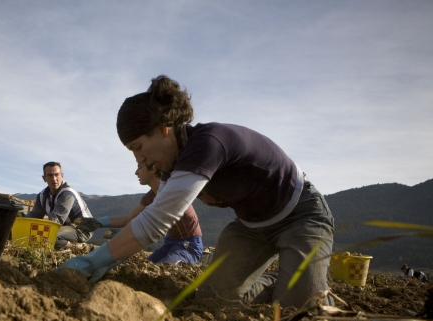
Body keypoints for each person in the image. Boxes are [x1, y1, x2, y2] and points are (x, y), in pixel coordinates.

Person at [57, 75, 335, 307]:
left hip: (300, 215)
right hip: (251, 228)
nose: (139, 160)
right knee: (214, 298)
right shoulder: (171, 169)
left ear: (164, 129)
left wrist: (92, 260)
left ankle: (299, 288)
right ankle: (285, 283)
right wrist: (110, 261)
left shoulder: (208, 144)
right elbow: (149, 217)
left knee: (302, 310)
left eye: (138, 147)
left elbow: (155, 224)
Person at [79, 163, 203, 265]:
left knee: (165, 269)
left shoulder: (171, 191)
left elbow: (155, 225)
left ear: (153, 170)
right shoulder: (150, 196)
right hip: (170, 243)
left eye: (140, 167)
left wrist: (125, 235)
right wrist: (99, 222)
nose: (136, 172)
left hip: (188, 245)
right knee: (148, 267)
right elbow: (130, 218)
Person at [27, 162, 93, 249]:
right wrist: (20, 220)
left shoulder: (67, 194)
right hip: (67, 227)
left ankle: (82, 248)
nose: (54, 179)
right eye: (50, 175)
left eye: (57, 175)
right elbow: (34, 216)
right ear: (44, 178)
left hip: (83, 229)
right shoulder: (42, 196)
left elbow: (55, 221)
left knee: (50, 235)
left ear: (62, 176)